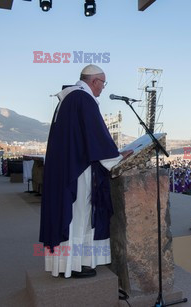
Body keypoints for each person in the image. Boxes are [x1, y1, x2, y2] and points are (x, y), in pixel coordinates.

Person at [39, 64, 132, 278]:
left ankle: (65, 263)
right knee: (78, 215)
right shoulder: (84, 99)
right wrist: (117, 157)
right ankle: (74, 265)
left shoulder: (69, 99)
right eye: (103, 83)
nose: (103, 89)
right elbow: (96, 136)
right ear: (94, 81)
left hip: (65, 168)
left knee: (70, 215)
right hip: (77, 172)